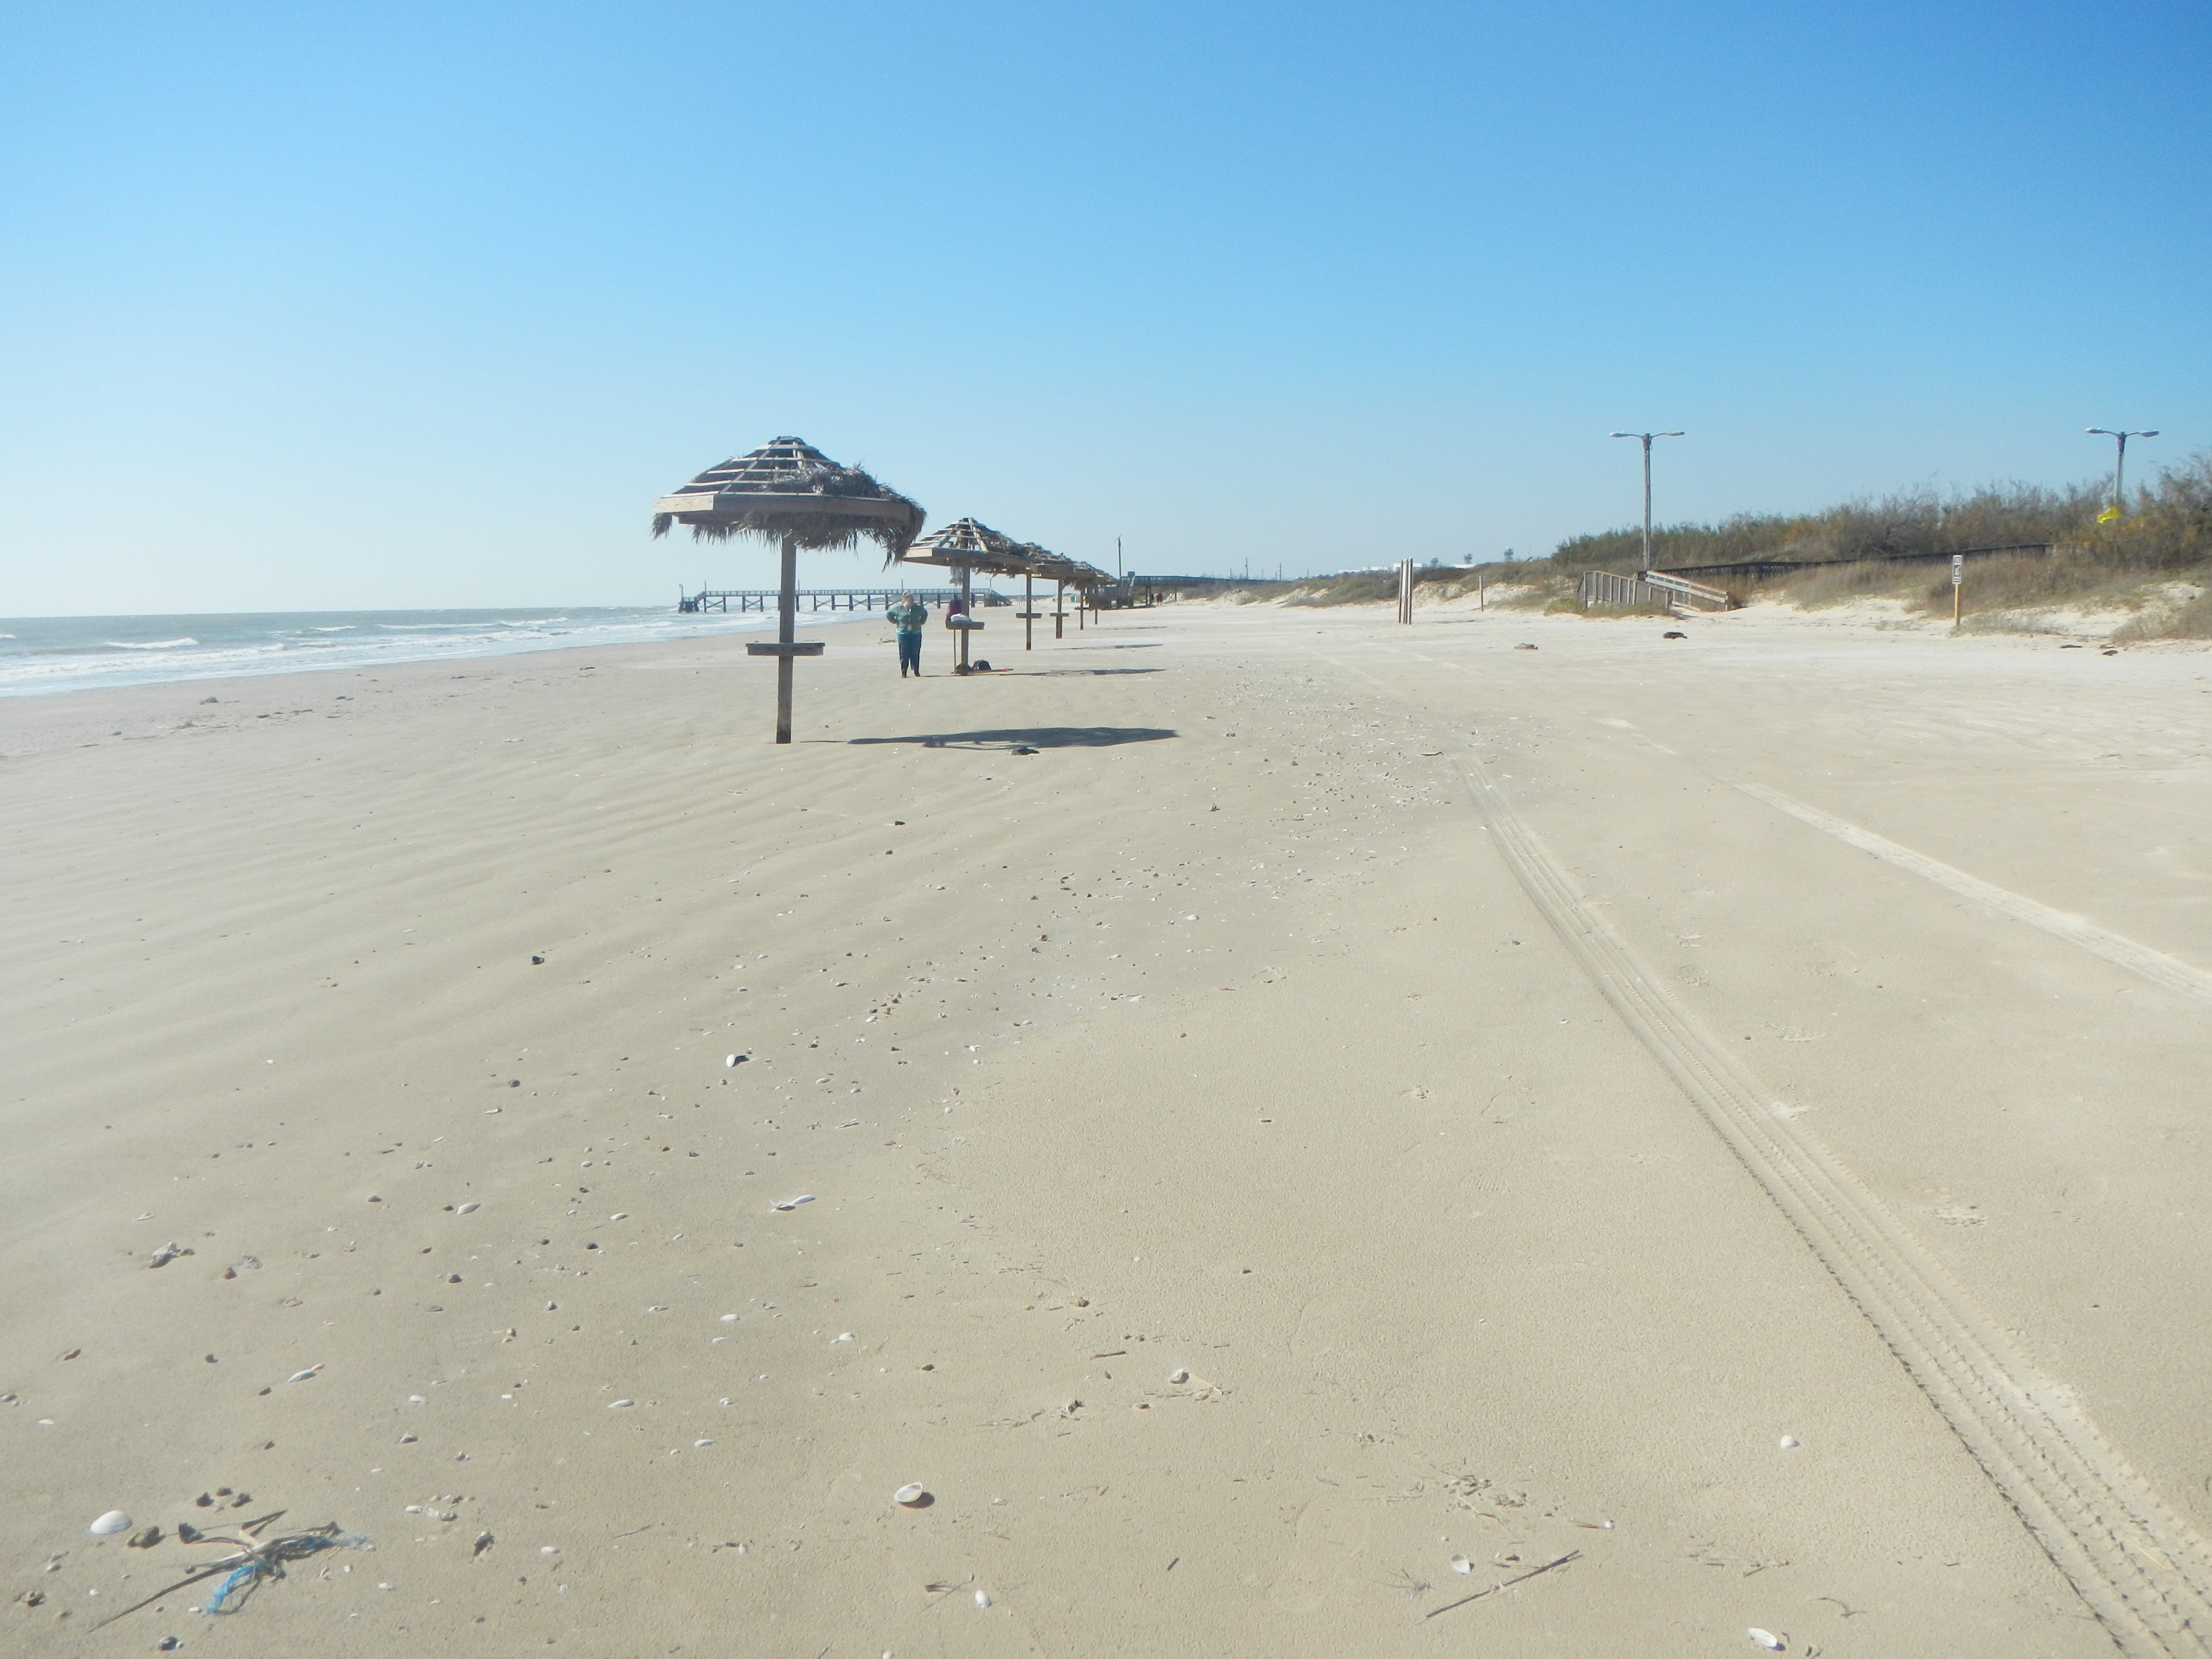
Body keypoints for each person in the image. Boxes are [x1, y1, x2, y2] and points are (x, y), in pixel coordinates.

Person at [887, 591, 929, 676]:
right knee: (904, 652)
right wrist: (895, 622)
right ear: (905, 601)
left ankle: (916, 671)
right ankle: (904, 672)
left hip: (916, 632)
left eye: (913, 600)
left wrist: (922, 622)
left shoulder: (918, 608)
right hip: (903, 633)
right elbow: (889, 614)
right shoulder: (899, 609)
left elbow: (925, 614)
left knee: (915, 652)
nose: (912, 602)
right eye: (910, 600)